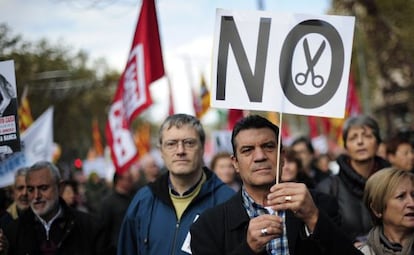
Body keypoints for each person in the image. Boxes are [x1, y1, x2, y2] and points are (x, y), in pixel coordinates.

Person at [190, 115, 362, 255]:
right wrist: (248, 249)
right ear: (235, 163)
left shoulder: (321, 205)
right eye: (247, 150)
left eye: (268, 146)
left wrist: (313, 218)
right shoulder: (208, 225)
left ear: (282, 157)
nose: (259, 156)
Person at [117, 114, 235, 255]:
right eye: (171, 144)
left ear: (202, 148)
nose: (180, 151)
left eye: (189, 143)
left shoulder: (228, 201)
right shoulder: (143, 201)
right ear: (161, 151)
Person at [2, 161, 109, 255]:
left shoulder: (90, 227)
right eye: (31, 189)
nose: (36, 196)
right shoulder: (11, 233)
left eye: (43, 188)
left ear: (60, 188)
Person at [317, 115, 391, 245]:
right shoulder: (328, 188)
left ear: (378, 142)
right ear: (346, 145)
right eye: (353, 137)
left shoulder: (395, 183)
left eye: (367, 136)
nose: (360, 142)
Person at [359, 168, 414, 254]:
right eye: (401, 196)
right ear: (376, 209)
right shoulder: (364, 252)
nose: (412, 203)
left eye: (413, 195)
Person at [100, 169, 134, 255]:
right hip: (115, 248)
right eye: (128, 179)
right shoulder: (108, 202)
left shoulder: (133, 199)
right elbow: (104, 229)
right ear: (119, 180)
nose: (131, 182)